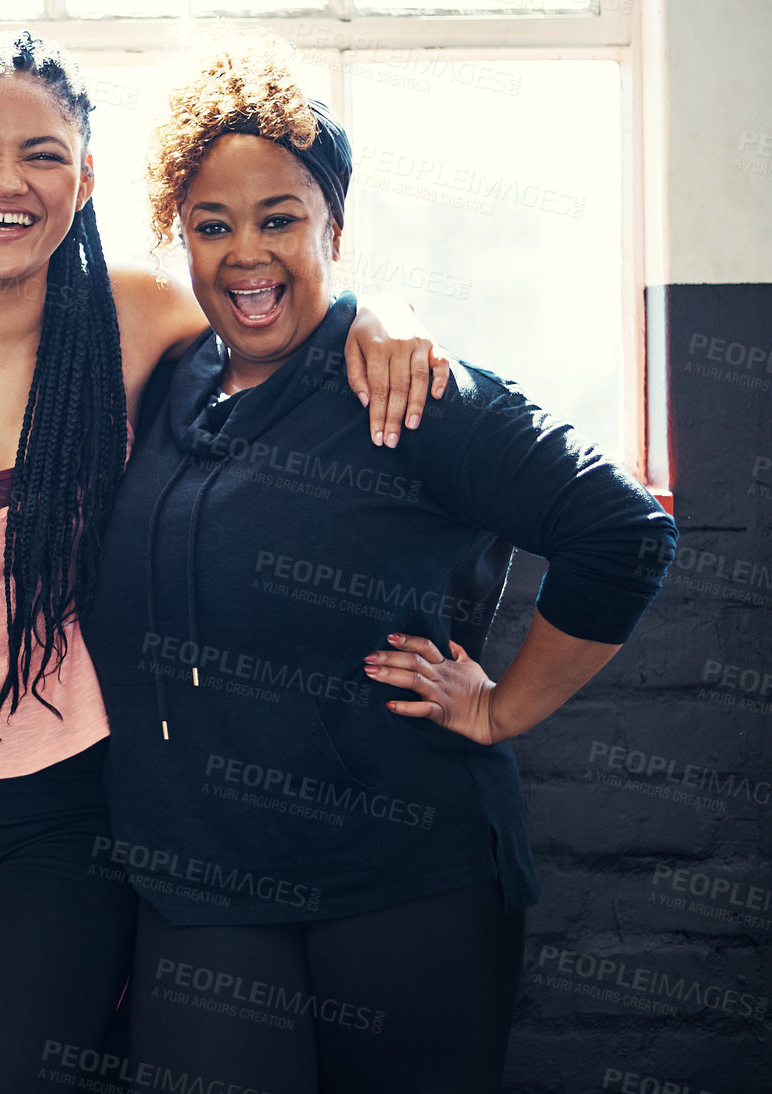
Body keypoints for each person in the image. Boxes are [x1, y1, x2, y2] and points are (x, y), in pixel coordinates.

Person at [0, 31, 451, 1093]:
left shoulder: (127, 318)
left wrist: (391, 315)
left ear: (82, 180)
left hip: (59, 815)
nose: (6, 181)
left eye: (42, 154)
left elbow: (283, 296)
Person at [80, 41, 679, 1093]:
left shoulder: (410, 391)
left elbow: (620, 528)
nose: (244, 255)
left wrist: (500, 709)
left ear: (333, 229)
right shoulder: (175, 377)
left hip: (399, 881)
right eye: (211, 226)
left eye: (278, 219)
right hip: (201, 883)